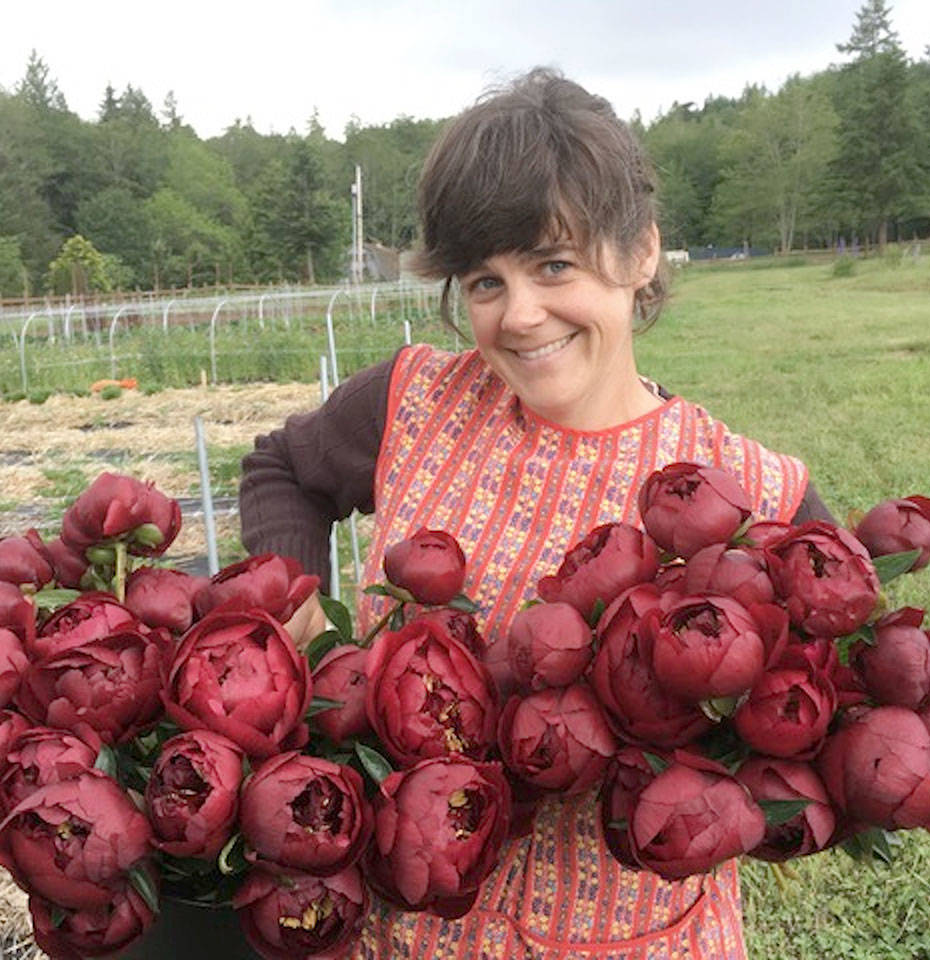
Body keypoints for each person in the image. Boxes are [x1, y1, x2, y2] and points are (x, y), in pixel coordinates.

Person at [240, 67, 833, 960]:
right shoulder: (416, 402)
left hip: (631, 936)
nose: (519, 315)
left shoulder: (751, 495)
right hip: (403, 931)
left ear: (640, 255)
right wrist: (292, 611)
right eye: (484, 280)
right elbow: (280, 466)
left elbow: (837, 701)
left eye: (554, 265)